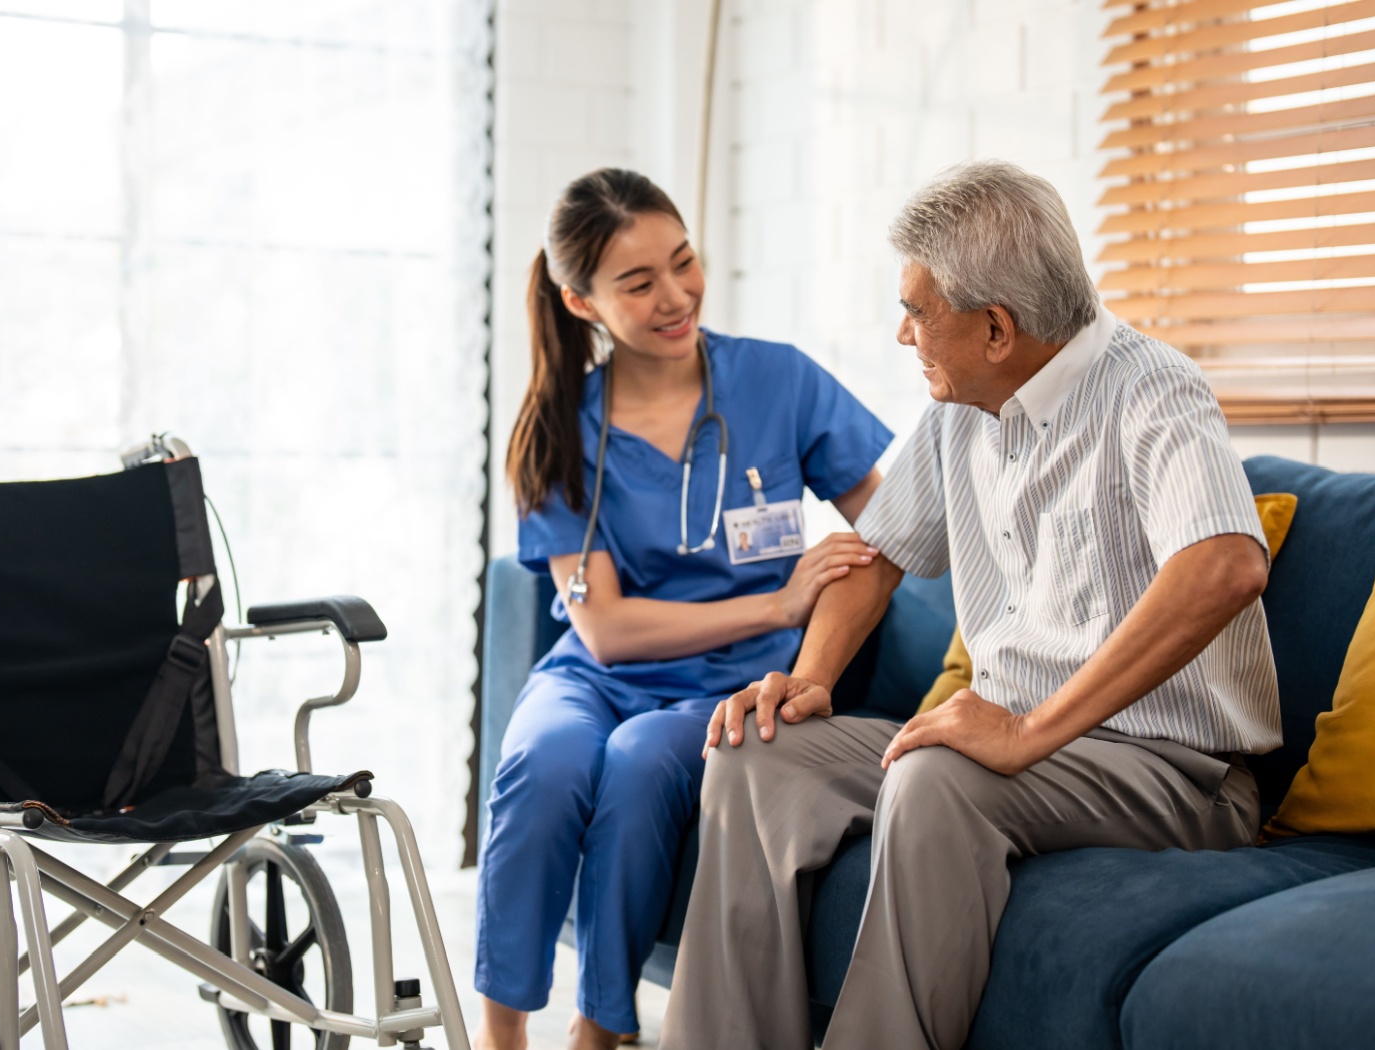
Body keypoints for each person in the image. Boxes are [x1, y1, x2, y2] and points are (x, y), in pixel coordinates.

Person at [659, 160, 1282, 1050]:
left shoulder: (1154, 389)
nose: (904, 333)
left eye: (919, 311)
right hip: (1019, 757)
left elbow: (1225, 566)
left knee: (939, 779)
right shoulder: (962, 404)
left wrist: (1030, 733)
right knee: (757, 752)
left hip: (1175, 776)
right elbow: (876, 553)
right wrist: (809, 680)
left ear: (997, 327)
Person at [476, 168, 893, 1050]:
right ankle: (499, 1032)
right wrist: (776, 598)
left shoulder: (777, 382)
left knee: (637, 763)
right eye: (638, 282)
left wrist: (808, 649)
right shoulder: (556, 430)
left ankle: (601, 1026)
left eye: (683, 262)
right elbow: (605, 628)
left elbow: (890, 536)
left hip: (737, 686)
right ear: (581, 302)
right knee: (540, 764)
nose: (676, 297)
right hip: (598, 672)